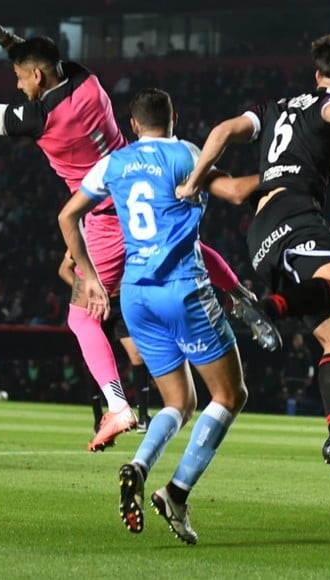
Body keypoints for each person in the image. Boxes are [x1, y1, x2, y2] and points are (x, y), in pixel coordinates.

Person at [0, 6, 278, 452]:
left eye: (20, 79)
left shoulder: (38, 119)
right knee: (185, 247)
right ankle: (241, 297)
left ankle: (117, 405)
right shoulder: (86, 81)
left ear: (35, 77)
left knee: (80, 314)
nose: (16, 85)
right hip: (145, 183)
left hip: (106, 212)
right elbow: (36, 58)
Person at [175, 33, 330, 486]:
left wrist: (193, 182)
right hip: (295, 214)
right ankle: (268, 306)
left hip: (260, 233)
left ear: (316, 72)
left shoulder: (271, 107)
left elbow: (221, 132)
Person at [59, 88, 249, 544]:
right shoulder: (186, 154)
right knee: (230, 394)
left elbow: (68, 216)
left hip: (135, 295)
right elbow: (236, 193)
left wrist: (89, 279)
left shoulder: (114, 164)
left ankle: (139, 466)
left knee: (179, 403)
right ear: (174, 117)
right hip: (182, 289)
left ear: (132, 125)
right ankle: (177, 492)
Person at [58, 251, 152, 432]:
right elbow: (64, 269)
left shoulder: (126, 231)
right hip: (95, 302)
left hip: (121, 303)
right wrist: (87, 289)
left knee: (137, 354)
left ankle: (143, 416)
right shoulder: (84, 237)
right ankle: (98, 417)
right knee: (95, 362)